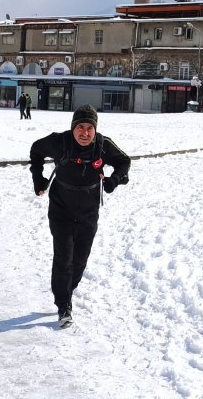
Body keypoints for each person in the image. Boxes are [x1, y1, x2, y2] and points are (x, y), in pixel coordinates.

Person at [29, 105, 131, 328]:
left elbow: (124, 161)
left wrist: (114, 180)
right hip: (61, 208)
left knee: (80, 260)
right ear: (73, 127)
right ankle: (63, 304)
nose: (84, 133)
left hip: (88, 209)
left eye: (89, 128)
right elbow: (36, 151)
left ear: (95, 130)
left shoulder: (103, 146)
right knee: (63, 256)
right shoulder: (59, 142)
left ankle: (67, 290)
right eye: (80, 127)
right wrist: (38, 179)